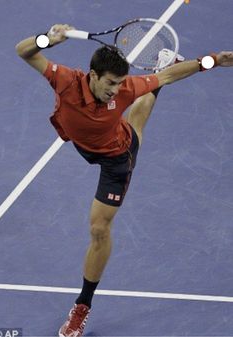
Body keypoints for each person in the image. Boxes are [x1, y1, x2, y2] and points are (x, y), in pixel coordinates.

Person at [15, 24, 233, 337]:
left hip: (116, 157)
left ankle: (82, 307)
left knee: (99, 227)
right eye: (111, 83)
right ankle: (161, 68)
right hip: (85, 142)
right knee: (137, 115)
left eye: (119, 83)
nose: (116, 89)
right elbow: (24, 51)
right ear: (92, 75)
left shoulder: (124, 89)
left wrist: (210, 60)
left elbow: (170, 77)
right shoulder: (65, 80)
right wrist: (47, 39)